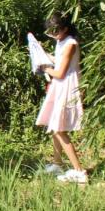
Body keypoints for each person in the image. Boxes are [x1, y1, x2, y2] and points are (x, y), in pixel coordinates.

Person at [36, 12, 86, 184]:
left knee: (59, 128)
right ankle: (57, 163)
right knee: (54, 124)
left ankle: (79, 171)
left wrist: (44, 68)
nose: (53, 34)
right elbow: (58, 61)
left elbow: (59, 72)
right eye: (50, 31)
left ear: (65, 28)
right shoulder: (61, 41)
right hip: (60, 85)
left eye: (56, 31)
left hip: (67, 85)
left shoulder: (70, 43)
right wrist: (42, 55)